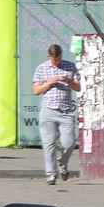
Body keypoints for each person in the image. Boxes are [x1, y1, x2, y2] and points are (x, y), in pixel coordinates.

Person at [33, 44, 81, 185]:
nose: (58, 62)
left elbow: (78, 87)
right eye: (55, 60)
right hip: (48, 111)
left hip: (66, 111)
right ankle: (51, 174)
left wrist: (67, 80)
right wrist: (50, 82)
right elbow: (36, 90)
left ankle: (63, 163)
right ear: (49, 57)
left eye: (59, 59)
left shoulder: (70, 66)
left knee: (70, 143)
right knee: (49, 144)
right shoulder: (42, 68)